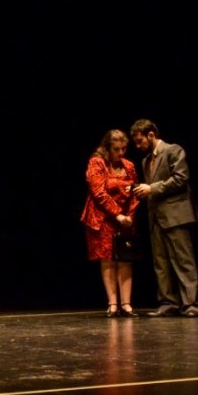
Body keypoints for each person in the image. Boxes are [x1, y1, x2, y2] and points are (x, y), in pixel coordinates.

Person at [130, 119, 198, 317]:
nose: (138, 146)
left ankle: (191, 304)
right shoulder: (146, 161)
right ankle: (168, 303)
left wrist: (151, 188)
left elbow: (181, 178)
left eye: (140, 141)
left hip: (175, 215)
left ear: (151, 135)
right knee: (161, 263)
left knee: (183, 261)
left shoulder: (173, 150)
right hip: (156, 217)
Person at [80, 129, 140, 317]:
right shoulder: (97, 163)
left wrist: (130, 215)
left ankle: (126, 304)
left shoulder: (129, 165)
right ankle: (113, 303)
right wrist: (118, 215)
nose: (121, 153)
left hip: (125, 220)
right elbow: (98, 193)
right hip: (103, 218)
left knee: (125, 257)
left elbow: (135, 192)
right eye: (116, 149)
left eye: (124, 149)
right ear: (107, 148)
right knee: (108, 259)